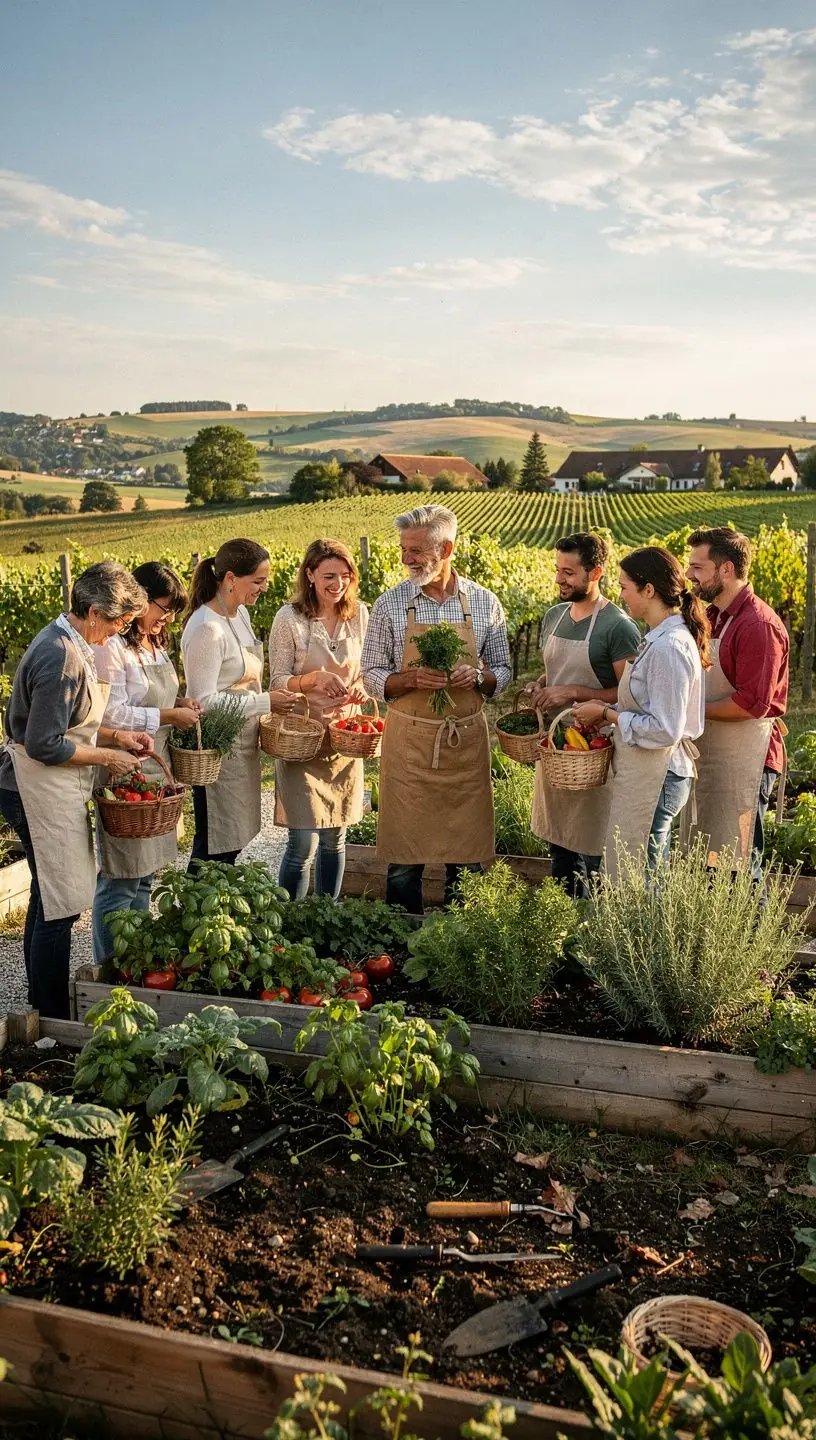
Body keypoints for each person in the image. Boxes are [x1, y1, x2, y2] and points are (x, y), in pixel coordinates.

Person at [0, 562, 152, 1018]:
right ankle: (51, 1014)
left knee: (52, 895)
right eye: (117, 622)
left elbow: (70, 724)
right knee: (62, 904)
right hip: (33, 785)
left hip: (47, 783)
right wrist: (109, 758)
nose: (120, 631)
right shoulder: (59, 656)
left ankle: (39, 1003)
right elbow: (45, 743)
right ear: (91, 611)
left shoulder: (71, 642)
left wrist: (115, 737)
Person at [361, 504, 511, 913]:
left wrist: (478, 678)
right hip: (409, 743)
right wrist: (408, 680)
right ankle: (403, 938)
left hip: (463, 743)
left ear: (446, 549)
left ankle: (461, 941)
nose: (406, 559)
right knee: (404, 858)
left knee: (466, 855)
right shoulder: (389, 604)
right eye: (403, 549)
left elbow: (503, 670)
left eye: (416, 551)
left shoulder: (484, 602)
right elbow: (370, 673)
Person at [573, 547, 709, 878]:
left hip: (661, 774)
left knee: (644, 869)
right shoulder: (657, 638)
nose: (620, 595)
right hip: (650, 770)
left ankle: (648, 931)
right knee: (635, 863)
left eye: (624, 587)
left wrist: (608, 716)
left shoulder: (669, 647)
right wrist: (605, 709)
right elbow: (646, 703)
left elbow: (665, 729)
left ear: (648, 590)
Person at [91, 562, 202, 965]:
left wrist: (180, 703)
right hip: (125, 765)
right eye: (163, 608)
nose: (167, 618)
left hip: (158, 764)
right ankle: (109, 967)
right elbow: (113, 716)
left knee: (146, 875)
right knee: (121, 876)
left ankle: (134, 958)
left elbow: (154, 699)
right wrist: (170, 716)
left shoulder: (157, 645)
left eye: (173, 611)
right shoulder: (114, 649)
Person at [526, 532, 640, 897]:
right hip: (558, 749)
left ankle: (590, 939)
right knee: (559, 846)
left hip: (593, 752)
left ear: (596, 573)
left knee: (591, 852)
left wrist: (574, 692)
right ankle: (560, 930)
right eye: (558, 570)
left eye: (569, 572)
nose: (559, 579)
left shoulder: (617, 626)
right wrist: (541, 685)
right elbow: (557, 670)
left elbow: (629, 695)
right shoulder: (554, 617)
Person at [182, 539, 297, 866]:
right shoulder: (207, 628)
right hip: (219, 750)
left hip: (242, 743)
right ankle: (199, 912)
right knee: (216, 844)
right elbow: (203, 701)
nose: (264, 587)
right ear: (230, 578)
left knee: (234, 840)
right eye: (258, 581)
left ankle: (219, 913)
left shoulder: (240, 615)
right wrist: (265, 702)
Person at [684, 527, 789, 877]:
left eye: (698, 568)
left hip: (748, 760)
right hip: (715, 753)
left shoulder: (758, 625)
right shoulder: (713, 616)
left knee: (740, 862)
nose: (689, 575)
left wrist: (691, 712)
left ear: (725, 570)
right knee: (711, 856)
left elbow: (752, 704)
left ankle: (751, 929)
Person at [268, 539, 369, 900]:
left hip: (345, 736)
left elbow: (365, 675)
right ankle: (290, 922)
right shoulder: (289, 618)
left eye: (345, 576)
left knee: (335, 839)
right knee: (302, 841)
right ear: (309, 575)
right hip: (303, 737)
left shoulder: (360, 615)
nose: (337, 584)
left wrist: (360, 691)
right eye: (329, 575)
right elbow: (277, 681)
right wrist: (312, 680)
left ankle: (328, 915)